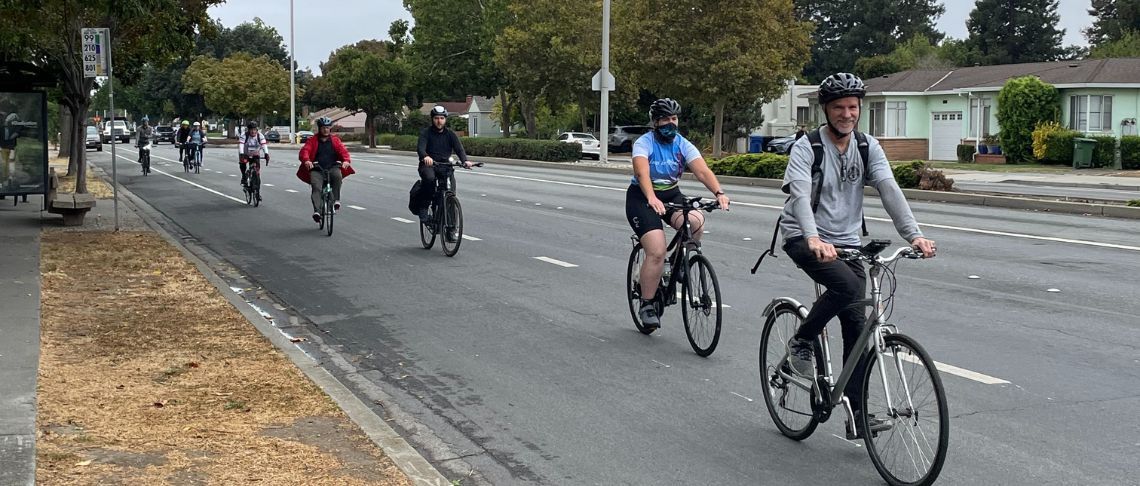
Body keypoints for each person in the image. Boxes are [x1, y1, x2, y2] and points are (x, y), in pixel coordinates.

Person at [778, 72, 936, 434]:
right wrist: (814, 237)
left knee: (858, 327)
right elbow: (800, 196)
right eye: (839, 108)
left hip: (848, 243)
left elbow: (889, 188)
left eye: (853, 107)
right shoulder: (808, 148)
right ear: (826, 110)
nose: (847, 114)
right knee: (848, 289)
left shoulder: (867, 146)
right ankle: (801, 340)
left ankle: (856, 415)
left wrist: (914, 235)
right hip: (804, 236)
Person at [626, 98, 730, 332]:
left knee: (696, 222)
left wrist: (719, 192)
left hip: (671, 194)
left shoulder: (682, 143)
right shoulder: (645, 143)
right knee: (656, 250)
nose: (671, 124)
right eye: (665, 120)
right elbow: (642, 173)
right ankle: (647, 304)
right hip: (642, 197)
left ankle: (677, 264)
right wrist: (651, 197)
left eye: (674, 119)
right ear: (655, 122)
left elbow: (702, 170)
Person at [411, 105, 470, 224]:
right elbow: (420, 148)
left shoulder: (450, 134)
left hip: (445, 167)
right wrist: (425, 157)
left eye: (442, 118)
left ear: (445, 119)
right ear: (432, 119)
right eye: (437, 118)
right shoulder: (426, 133)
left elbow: (459, 149)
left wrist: (465, 161)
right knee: (430, 179)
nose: (439, 121)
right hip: (429, 166)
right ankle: (423, 207)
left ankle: (451, 229)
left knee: (450, 193)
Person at [297, 116, 353, 224]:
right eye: (323, 128)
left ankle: (336, 200)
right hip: (317, 168)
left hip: (332, 167)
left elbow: (343, 151)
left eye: (327, 127)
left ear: (330, 128)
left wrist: (346, 161)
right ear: (319, 128)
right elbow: (305, 151)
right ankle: (317, 212)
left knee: (337, 176)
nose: (325, 130)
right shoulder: (312, 140)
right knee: (316, 187)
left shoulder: (335, 140)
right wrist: (307, 161)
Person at [238, 121, 269, 187]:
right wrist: (241, 154)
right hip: (245, 154)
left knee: (257, 171)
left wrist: (266, 153)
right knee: (242, 163)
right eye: (251, 130)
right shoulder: (244, 135)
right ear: (248, 130)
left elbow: (264, 145)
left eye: (254, 129)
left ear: (257, 130)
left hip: (255, 154)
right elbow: (241, 145)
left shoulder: (260, 136)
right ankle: (244, 176)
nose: (253, 131)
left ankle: (257, 190)